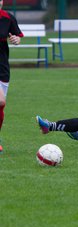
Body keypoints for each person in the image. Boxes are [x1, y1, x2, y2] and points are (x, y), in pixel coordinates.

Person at [0, 0, 23, 153]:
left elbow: (17, 36)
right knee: (0, 100)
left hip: (2, 68)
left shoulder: (8, 17)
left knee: (1, 105)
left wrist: (16, 40)